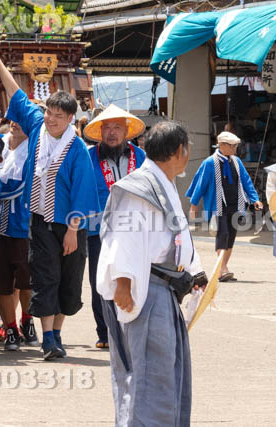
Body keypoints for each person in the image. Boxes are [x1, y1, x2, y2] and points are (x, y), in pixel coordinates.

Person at [0, 49, 99, 361]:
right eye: (49, 113)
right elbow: (15, 94)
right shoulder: (37, 128)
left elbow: (82, 191)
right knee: (44, 276)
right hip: (40, 221)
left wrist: (72, 231)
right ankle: (49, 338)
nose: (51, 120)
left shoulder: (77, 149)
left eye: (59, 116)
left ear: (70, 120)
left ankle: (57, 333)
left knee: (68, 280)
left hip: (70, 226)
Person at [97, 121, 206, 427]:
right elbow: (123, 238)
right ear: (178, 152)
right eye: (188, 149)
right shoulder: (139, 188)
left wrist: (196, 273)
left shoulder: (163, 183)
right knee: (147, 379)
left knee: (166, 376)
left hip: (164, 292)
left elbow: (177, 237)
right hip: (143, 292)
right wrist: (122, 285)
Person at [83, 104, 146, 350]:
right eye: (106, 128)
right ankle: (106, 332)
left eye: (116, 128)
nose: (111, 133)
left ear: (126, 131)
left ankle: (132, 326)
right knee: (101, 282)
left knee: (134, 277)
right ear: (100, 131)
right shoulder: (89, 156)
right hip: (98, 230)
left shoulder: (140, 156)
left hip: (135, 229)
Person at [187, 131, 263, 282]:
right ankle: (222, 269)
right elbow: (201, 184)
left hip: (235, 204)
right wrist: (193, 205)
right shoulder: (210, 162)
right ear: (221, 145)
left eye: (236, 146)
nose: (235, 149)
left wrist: (255, 199)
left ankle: (223, 267)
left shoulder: (236, 161)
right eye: (232, 146)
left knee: (231, 236)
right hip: (217, 206)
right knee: (223, 234)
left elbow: (246, 181)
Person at [0, 118, 36, 351]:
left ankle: (27, 319)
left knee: (26, 281)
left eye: (22, 119)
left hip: (23, 225)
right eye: (13, 119)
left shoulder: (34, 150)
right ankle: (9, 329)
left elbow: (18, 186)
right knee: (1, 283)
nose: (16, 123)